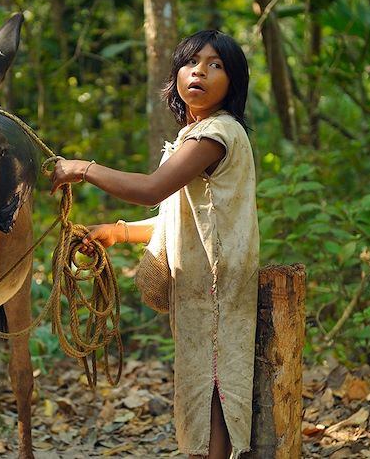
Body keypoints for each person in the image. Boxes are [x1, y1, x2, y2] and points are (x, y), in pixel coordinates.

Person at [50, 30, 259, 459]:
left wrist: (82, 168)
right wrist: (118, 231)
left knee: (215, 390)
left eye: (216, 65)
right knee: (202, 387)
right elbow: (178, 220)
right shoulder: (196, 136)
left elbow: (151, 189)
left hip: (217, 289)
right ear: (177, 76)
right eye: (192, 61)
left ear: (233, 85)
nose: (200, 70)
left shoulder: (216, 133)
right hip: (202, 289)